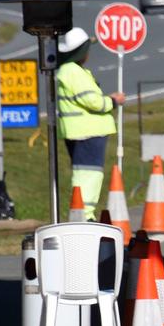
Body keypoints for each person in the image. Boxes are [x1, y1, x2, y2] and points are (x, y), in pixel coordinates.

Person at [55, 27, 124, 220]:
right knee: (89, 174)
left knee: (85, 173)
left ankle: (82, 212)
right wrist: (112, 102)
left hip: (79, 131)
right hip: (88, 132)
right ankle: (84, 215)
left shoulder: (68, 71)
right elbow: (92, 101)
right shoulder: (73, 72)